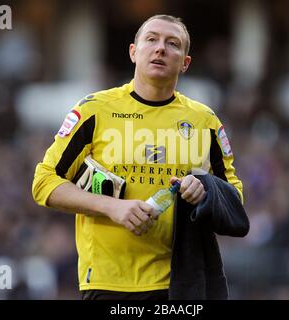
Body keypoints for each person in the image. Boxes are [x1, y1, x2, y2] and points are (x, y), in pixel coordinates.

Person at [32, 14, 249, 300]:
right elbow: (44, 182)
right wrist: (112, 207)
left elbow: (234, 198)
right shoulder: (95, 110)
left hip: (179, 285)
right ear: (134, 52)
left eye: (172, 44)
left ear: (185, 63)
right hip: (107, 282)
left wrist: (206, 190)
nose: (160, 48)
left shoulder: (204, 121)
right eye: (151, 39)